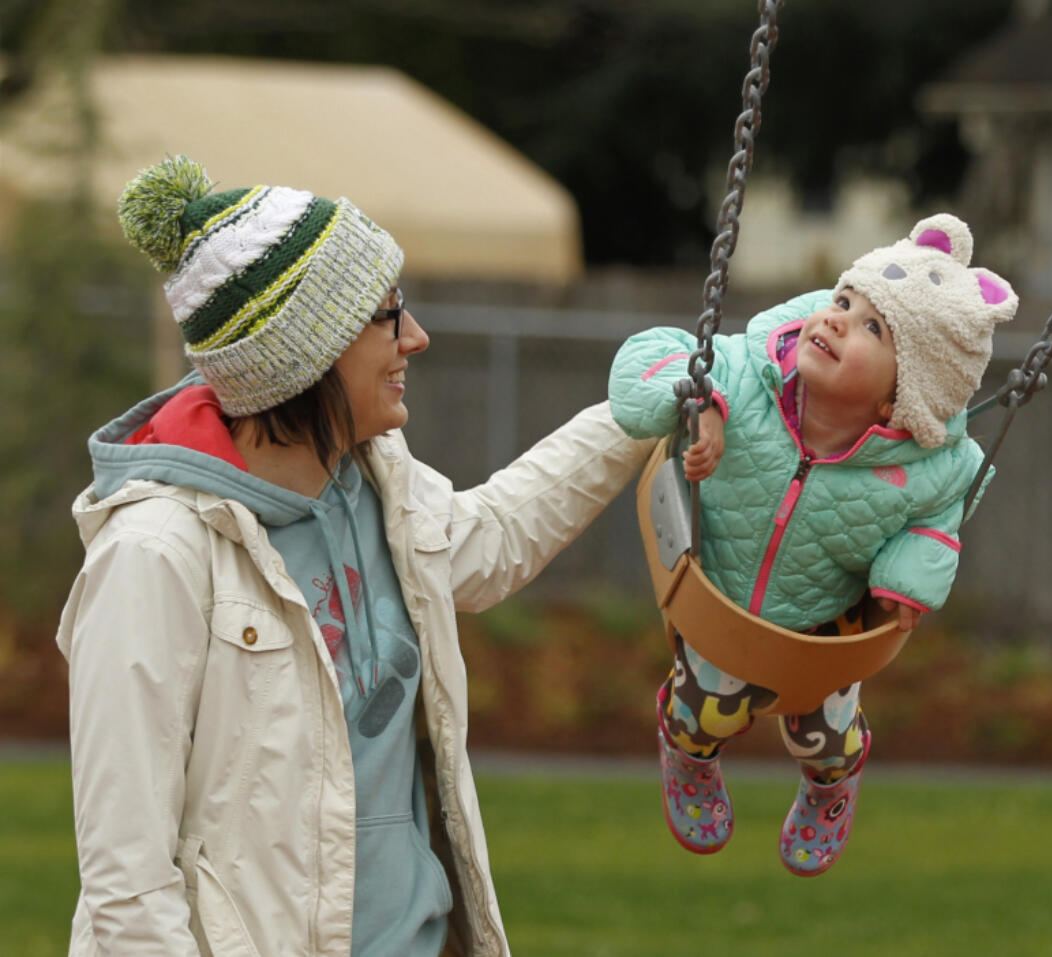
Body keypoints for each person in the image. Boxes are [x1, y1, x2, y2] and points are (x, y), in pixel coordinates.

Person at [55, 155, 653, 956]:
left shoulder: (375, 485)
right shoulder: (153, 555)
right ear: (305, 353)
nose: (417, 337)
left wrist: (634, 415)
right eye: (386, 316)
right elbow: (127, 886)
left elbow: (494, 536)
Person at [608, 214, 1018, 875]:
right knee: (702, 713)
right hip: (717, 600)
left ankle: (830, 787)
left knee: (824, 737)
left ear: (901, 396)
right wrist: (698, 398)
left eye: (871, 328)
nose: (835, 321)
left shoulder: (926, 468)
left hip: (824, 628)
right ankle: (689, 759)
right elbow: (642, 361)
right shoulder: (743, 372)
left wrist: (910, 581)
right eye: (844, 302)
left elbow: (936, 522)